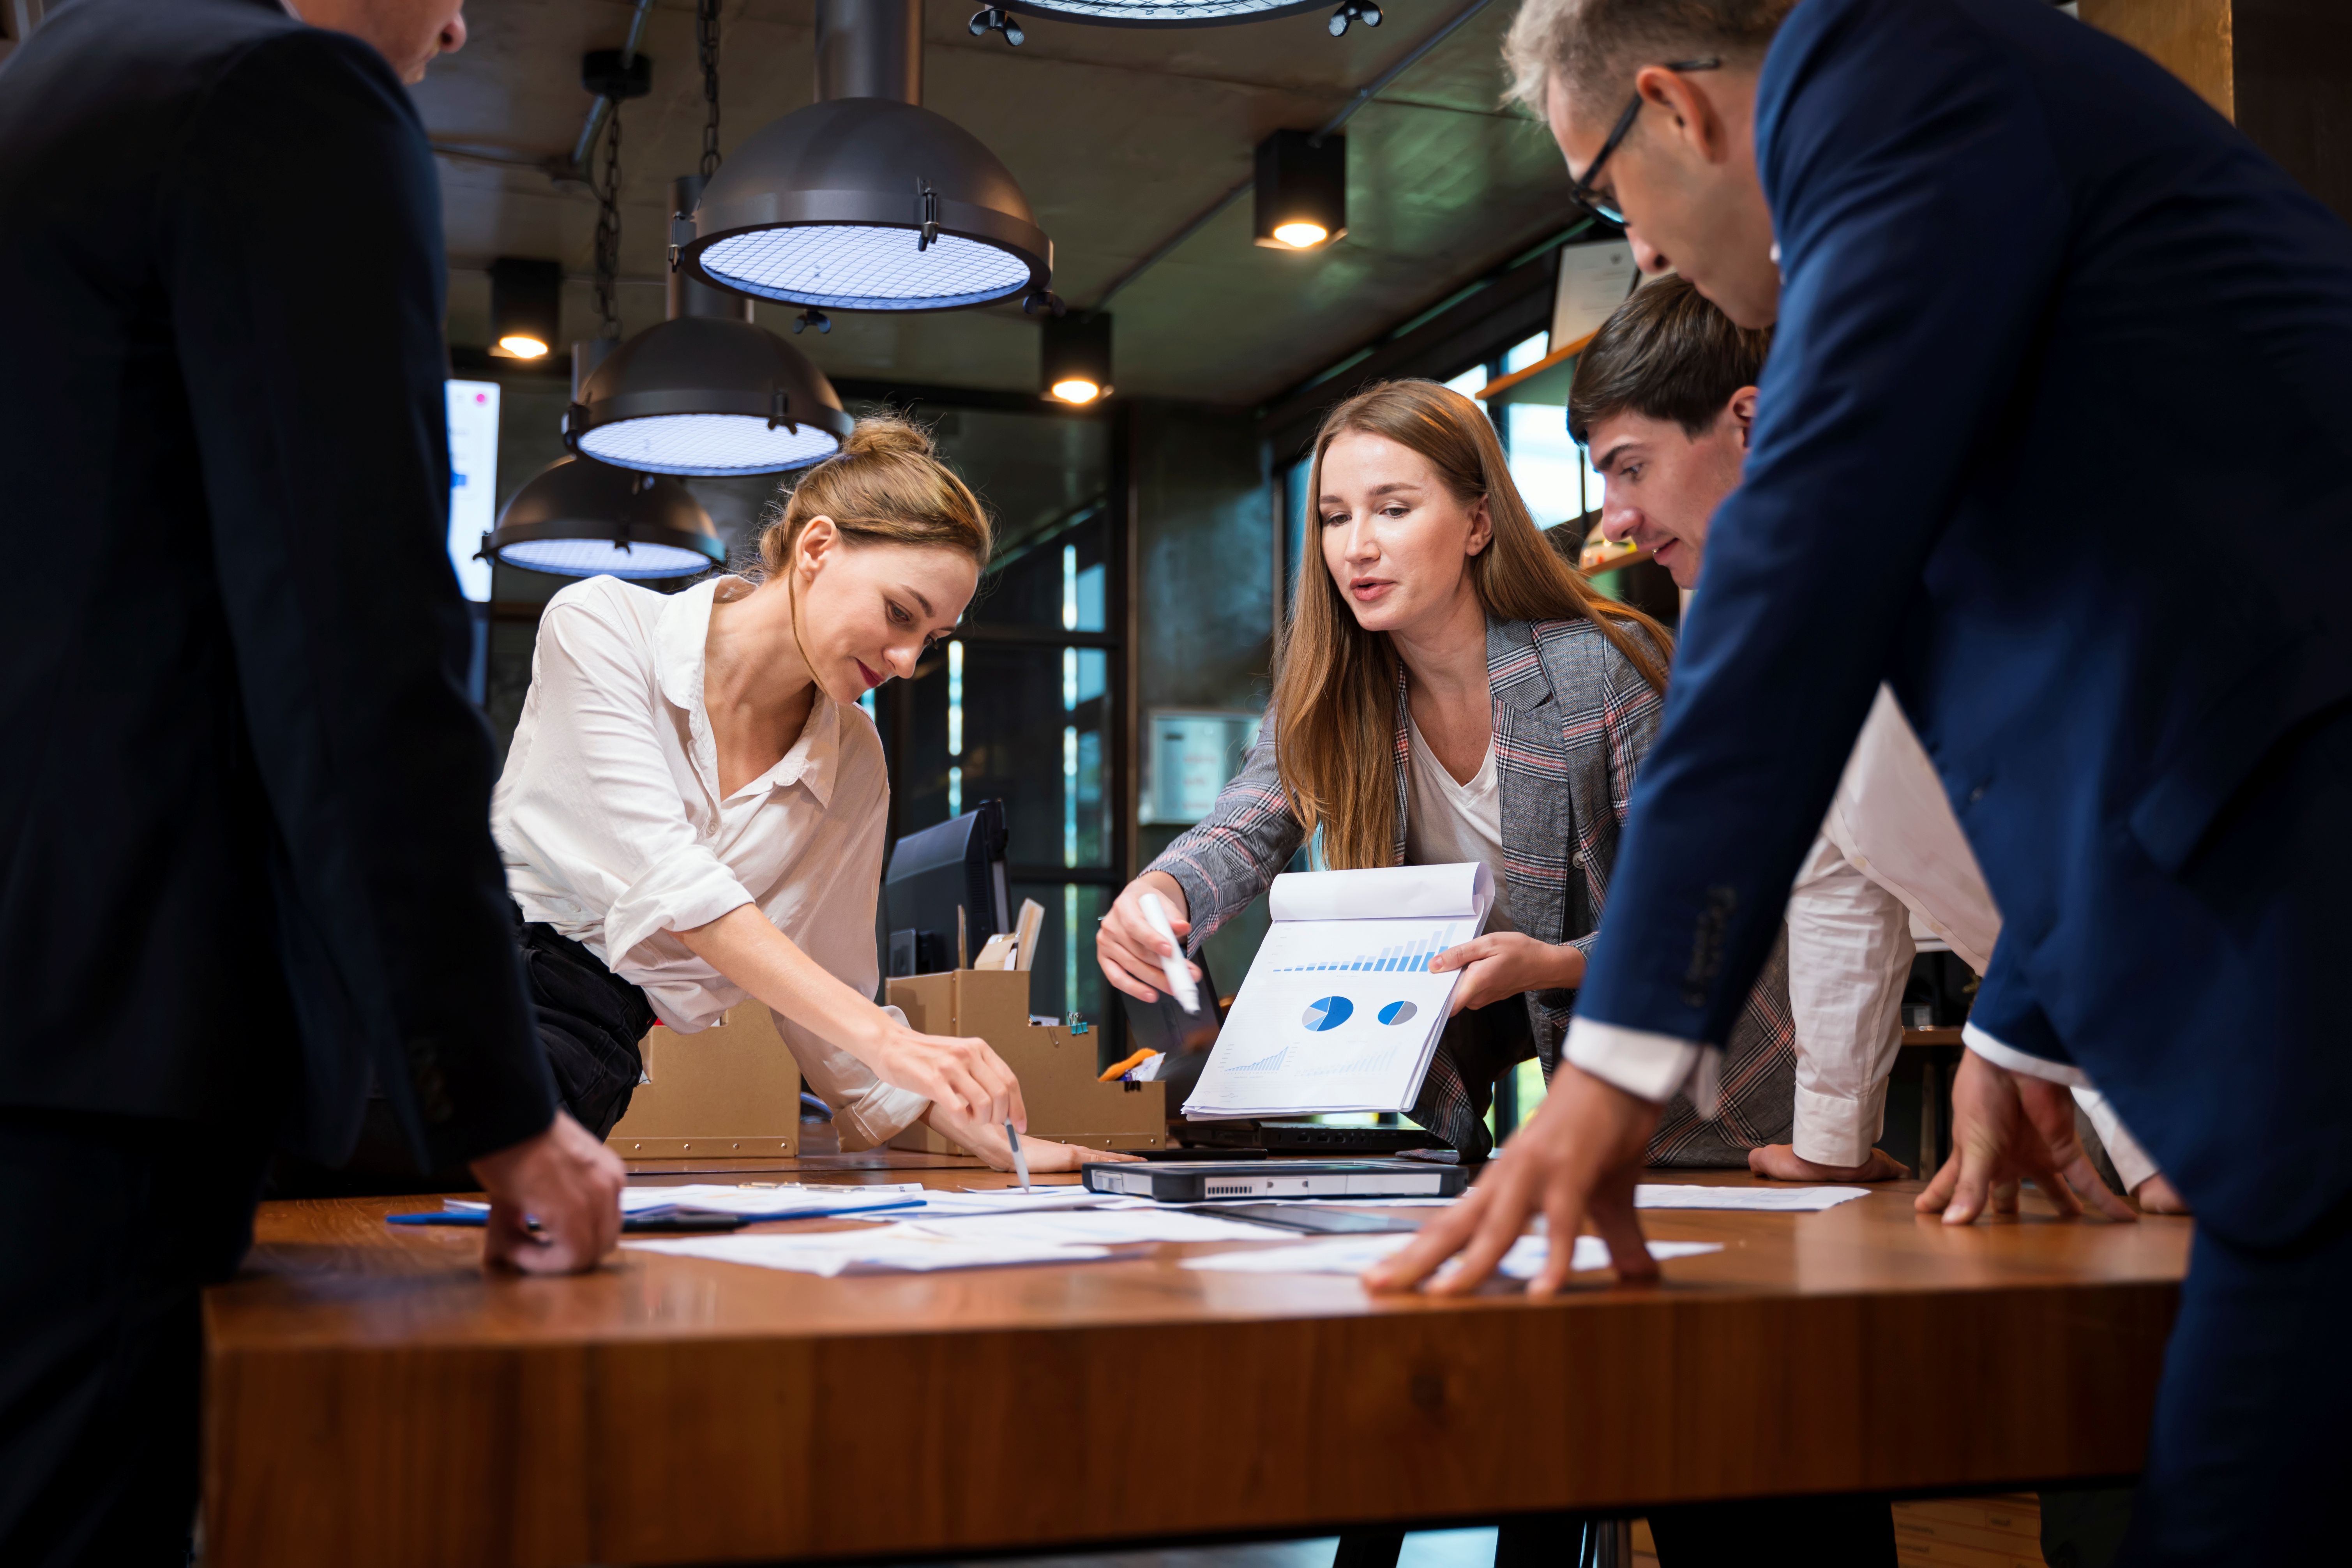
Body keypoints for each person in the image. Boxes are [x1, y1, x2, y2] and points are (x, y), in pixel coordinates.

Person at [1377, 0, 2352, 1561]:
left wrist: (1612, 1073)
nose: (1640, 254)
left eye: (1603, 196)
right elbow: (2100, 658)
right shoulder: (1957, 177)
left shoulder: (1891, 73)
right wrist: (2026, 1021)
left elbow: (1800, 577)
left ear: (1670, 108)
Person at [0, 0, 624, 1563]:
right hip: (107, 1033)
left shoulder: (69, 72)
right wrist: (499, 1102)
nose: (461, 19)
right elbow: (358, 632)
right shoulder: (285, 95)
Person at [1572, 274, 2184, 1211]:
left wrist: (2003, 1040)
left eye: (1630, 468)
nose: (1613, 519)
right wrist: (1831, 1141)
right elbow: (1836, 879)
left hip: (2208, 982)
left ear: (1747, 421)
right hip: (2091, 1024)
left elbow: (2086, 823)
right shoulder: (1772, 619)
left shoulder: (1943, 543)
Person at [1098, 378, 1798, 1164]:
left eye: (1392, 509)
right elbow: (1243, 828)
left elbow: (1705, 903)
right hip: (1543, 1121)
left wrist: (1561, 961)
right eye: (1335, 517)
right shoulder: (1333, 692)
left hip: (1711, 1102)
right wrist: (1161, 892)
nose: (1357, 544)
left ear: (1477, 522)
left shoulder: (1598, 670)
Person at [496, 418, 1132, 1174]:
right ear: (818, 548)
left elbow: (829, 989)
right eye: (900, 612)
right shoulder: (602, 625)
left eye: (930, 638)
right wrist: (895, 1039)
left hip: (582, 1055)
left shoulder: (856, 761)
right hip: (462, 980)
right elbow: (675, 885)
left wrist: (984, 1134)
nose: (904, 661)